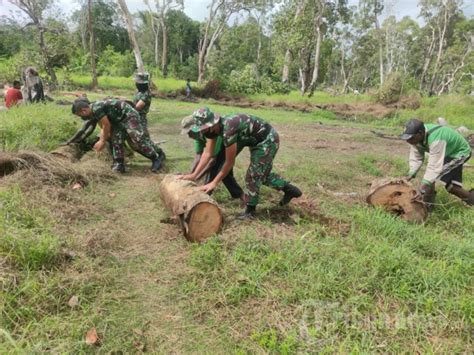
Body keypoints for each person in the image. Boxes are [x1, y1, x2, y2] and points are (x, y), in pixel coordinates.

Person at [179, 107, 302, 220]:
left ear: (211, 124)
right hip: (254, 141)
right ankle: (290, 189)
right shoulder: (213, 130)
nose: (202, 131)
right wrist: (194, 175)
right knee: (261, 175)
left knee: (253, 175)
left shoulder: (228, 129)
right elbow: (208, 154)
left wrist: (213, 183)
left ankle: (250, 212)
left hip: (267, 140)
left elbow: (229, 162)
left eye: (203, 128)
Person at [71, 97, 165, 173]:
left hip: (128, 116)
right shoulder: (93, 110)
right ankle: (119, 164)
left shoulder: (96, 108)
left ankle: (156, 159)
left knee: (137, 139)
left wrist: (102, 141)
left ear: (83, 110)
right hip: (118, 121)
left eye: (80, 115)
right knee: (116, 140)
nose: (82, 117)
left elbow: (106, 125)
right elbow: (97, 127)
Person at [401, 118, 473, 209]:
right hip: (446, 152)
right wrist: (411, 174)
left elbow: (434, 167)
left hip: (459, 153)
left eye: (410, 138)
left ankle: (427, 207)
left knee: (432, 179)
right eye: (407, 138)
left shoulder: (436, 139)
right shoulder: (416, 138)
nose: (408, 141)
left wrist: (422, 189)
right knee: (451, 187)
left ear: (420, 133)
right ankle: (472, 200)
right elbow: (417, 157)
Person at [181, 115, 243, 199]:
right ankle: (238, 194)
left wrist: (198, 177)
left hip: (231, 141)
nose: (189, 136)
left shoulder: (212, 133)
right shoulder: (198, 136)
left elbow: (212, 160)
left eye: (189, 132)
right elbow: (198, 156)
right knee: (224, 171)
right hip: (221, 147)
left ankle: (206, 194)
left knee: (219, 167)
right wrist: (191, 175)